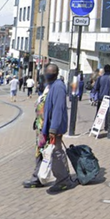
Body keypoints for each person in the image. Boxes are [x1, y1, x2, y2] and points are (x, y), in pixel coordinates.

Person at [39, 64, 76, 194]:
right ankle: (63, 177)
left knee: (56, 153)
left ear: (55, 74)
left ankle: (64, 180)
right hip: (51, 127)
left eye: (49, 73)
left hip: (56, 128)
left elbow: (58, 109)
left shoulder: (58, 87)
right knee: (57, 152)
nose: (47, 75)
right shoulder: (53, 85)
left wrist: (53, 129)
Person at [22, 82, 50, 188]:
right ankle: (38, 177)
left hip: (43, 130)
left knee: (42, 153)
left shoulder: (47, 97)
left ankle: (37, 178)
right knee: (44, 153)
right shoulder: (44, 96)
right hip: (41, 130)